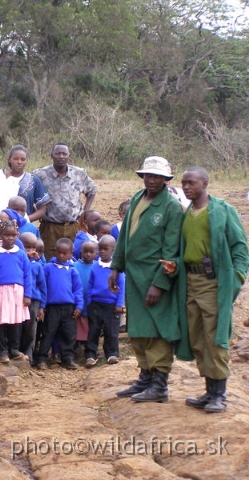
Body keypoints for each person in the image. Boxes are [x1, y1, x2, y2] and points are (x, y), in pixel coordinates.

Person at [166, 167, 248, 413]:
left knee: (216, 339)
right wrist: (176, 265)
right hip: (190, 281)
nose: (187, 187)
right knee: (198, 337)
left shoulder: (222, 211)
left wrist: (237, 277)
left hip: (215, 283)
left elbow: (240, 247)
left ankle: (219, 395)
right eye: (184, 183)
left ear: (205, 183)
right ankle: (209, 391)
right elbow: (186, 250)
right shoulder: (187, 213)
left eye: (191, 183)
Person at [109, 156, 183, 403]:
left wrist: (159, 283)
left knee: (157, 330)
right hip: (134, 276)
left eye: (156, 176)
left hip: (153, 278)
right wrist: (115, 268)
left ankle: (160, 384)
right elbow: (124, 240)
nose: (151, 180)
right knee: (138, 329)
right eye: (147, 175)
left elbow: (171, 250)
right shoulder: (137, 199)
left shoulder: (171, 207)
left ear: (165, 179)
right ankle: (145, 376)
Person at [34, 143, 98, 260]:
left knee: (74, 258)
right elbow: (30, 194)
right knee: (49, 259)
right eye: (58, 153)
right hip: (50, 228)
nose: (61, 156)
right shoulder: (40, 175)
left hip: (73, 226)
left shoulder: (79, 173)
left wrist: (85, 211)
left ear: (69, 156)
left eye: (64, 154)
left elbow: (92, 190)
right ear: (52, 155)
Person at [0, 145, 50, 239]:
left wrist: (23, 220)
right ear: (9, 159)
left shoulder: (33, 180)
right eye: (16, 159)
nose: (19, 162)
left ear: (27, 161)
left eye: (23, 159)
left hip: (22, 230)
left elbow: (42, 209)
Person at [0, 219, 32, 363]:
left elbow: (27, 274)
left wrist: (27, 294)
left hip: (17, 291)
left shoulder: (21, 254)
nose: (10, 238)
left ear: (17, 235)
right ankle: (1, 351)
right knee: (0, 321)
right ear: (0, 235)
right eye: (6, 235)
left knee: (16, 321)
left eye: (13, 235)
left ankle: (14, 349)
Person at [35, 237, 84, 370]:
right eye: (59, 252)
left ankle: (67, 358)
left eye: (65, 253)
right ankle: (42, 359)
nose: (61, 256)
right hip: (52, 307)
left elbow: (78, 289)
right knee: (48, 333)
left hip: (69, 308)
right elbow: (43, 288)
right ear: (55, 251)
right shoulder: (48, 268)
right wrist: (42, 306)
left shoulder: (73, 270)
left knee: (69, 333)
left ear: (71, 253)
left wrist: (79, 306)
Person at [85, 235, 124, 368]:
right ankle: (90, 355)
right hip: (96, 303)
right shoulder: (95, 267)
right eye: (100, 249)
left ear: (113, 250)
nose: (102, 251)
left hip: (111, 305)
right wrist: (89, 301)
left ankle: (112, 353)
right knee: (93, 330)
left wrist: (119, 304)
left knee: (111, 330)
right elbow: (90, 285)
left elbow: (122, 286)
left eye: (105, 249)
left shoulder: (117, 269)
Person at [19, 232, 47, 365]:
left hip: (34, 301)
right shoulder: (17, 262)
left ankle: (29, 355)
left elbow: (43, 286)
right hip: (19, 300)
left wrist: (42, 306)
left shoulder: (37, 265)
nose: (30, 251)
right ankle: (17, 353)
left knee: (31, 329)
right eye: (27, 247)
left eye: (33, 248)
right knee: (18, 327)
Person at [72, 240, 98, 360]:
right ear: (81, 252)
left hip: (92, 302)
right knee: (78, 324)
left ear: (96, 253)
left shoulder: (97, 266)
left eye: (91, 252)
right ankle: (76, 346)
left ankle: (89, 347)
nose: (88, 254)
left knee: (90, 324)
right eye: (85, 251)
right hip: (78, 301)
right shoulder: (75, 266)